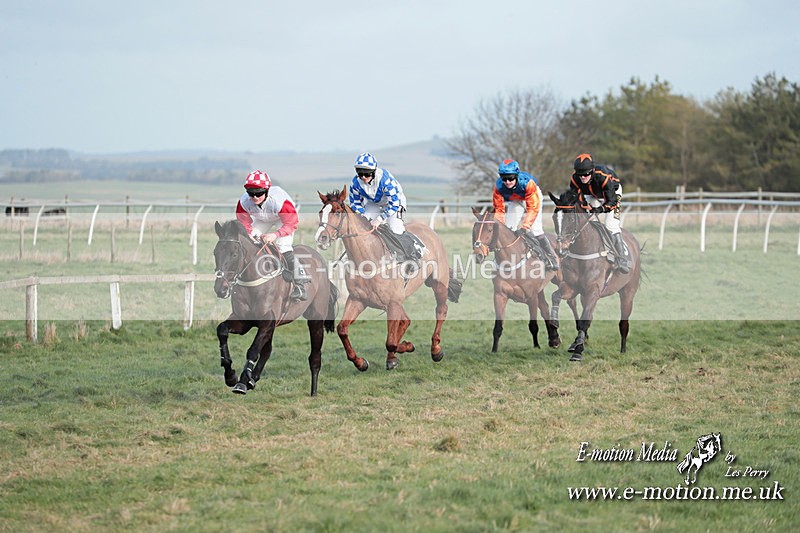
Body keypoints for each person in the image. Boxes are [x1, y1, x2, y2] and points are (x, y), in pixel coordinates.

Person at [236, 170, 308, 301]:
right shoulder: (244, 201)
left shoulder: (279, 201)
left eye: (259, 193)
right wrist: (250, 233)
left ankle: (300, 284)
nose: (255, 197)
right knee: (249, 241)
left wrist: (275, 235)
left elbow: (291, 223)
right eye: (251, 193)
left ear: (267, 190)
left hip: (284, 219)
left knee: (283, 246)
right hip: (262, 218)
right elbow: (243, 221)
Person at [347, 152, 421, 260]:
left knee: (395, 229)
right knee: (364, 226)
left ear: (374, 171)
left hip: (395, 203)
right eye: (359, 172)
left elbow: (394, 204)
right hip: (374, 203)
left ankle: (412, 255)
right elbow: (355, 203)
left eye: (367, 173)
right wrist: (363, 215)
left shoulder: (385, 180)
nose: (363, 177)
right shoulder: (355, 183)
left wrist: (379, 219)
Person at [568, 153, 632, 273]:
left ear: (592, 171)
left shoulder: (603, 176)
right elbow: (575, 196)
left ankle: (622, 258)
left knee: (610, 224)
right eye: (580, 174)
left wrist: (598, 209)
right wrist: (583, 205)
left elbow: (611, 202)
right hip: (591, 194)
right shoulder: (575, 179)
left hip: (611, 193)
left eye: (586, 174)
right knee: (587, 221)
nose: (583, 177)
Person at [492, 159, 559, 271]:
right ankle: (503, 259)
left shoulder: (527, 183)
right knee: (508, 229)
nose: (508, 181)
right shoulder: (498, 187)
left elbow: (533, 208)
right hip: (515, 201)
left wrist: (524, 227)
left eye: (511, 178)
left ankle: (551, 257)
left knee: (535, 229)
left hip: (532, 198)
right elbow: (499, 209)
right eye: (504, 178)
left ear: (516, 175)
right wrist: (500, 225)